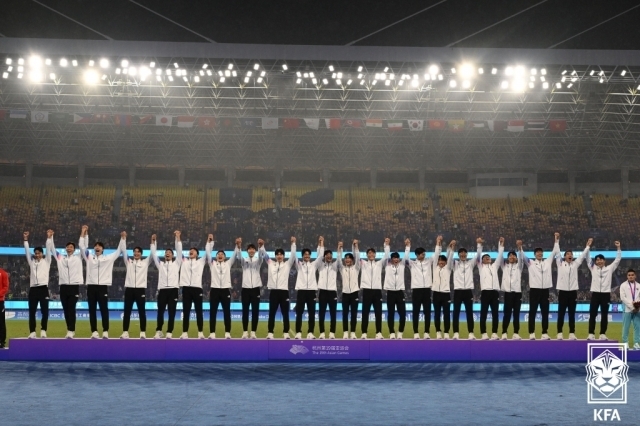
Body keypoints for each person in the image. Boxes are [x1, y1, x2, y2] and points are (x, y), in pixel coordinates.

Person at [80, 226, 126, 339]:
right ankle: (94, 331)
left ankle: (105, 331)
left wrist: (123, 239)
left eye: (99, 246)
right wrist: (84, 233)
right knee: (92, 310)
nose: (97, 247)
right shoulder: (89, 257)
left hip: (103, 288)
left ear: (103, 249)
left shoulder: (108, 258)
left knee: (104, 310)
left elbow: (119, 251)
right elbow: (81, 246)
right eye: (95, 246)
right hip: (91, 287)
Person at [522, 233, 560, 340]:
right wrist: (520, 248)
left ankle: (544, 333)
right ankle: (532, 332)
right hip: (534, 291)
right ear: (534, 255)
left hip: (545, 291)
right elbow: (523, 256)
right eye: (537, 252)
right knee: (532, 312)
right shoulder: (531, 263)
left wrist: (556, 241)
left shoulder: (547, 262)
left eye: (541, 252)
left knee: (545, 312)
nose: (539, 253)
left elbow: (554, 252)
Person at [46, 229, 83, 339]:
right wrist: (50, 237)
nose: (69, 248)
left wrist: (83, 234)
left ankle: (72, 330)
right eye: (67, 247)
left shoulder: (78, 258)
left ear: (74, 249)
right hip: (63, 287)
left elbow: (83, 246)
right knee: (66, 310)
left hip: (74, 286)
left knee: (71, 308)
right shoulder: (60, 258)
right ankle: (69, 329)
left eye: (71, 247)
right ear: (65, 249)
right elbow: (52, 248)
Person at [555, 238, 592, 340]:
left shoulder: (575, 264)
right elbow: (557, 253)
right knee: (561, 314)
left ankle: (572, 333)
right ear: (564, 256)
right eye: (567, 254)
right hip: (562, 292)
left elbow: (583, 255)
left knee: (572, 314)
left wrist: (588, 246)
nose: (570, 255)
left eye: (571, 254)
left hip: (573, 293)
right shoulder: (560, 264)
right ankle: (559, 332)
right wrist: (557, 241)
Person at [406, 236, 442, 339]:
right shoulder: (412, 264)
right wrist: (408, 246)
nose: (424, 255)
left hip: (427, 290)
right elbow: (406, 258)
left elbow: (436, 254)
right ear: (417, 255)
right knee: (416, 312)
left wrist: (438, 243)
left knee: (427, 312)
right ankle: (416, 332)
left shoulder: (428, 261)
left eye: (424, 253)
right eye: (422, 254)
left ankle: (427, 332)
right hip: (416, 290)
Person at [585, 241, 622, 340]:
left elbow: (617, 260)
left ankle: (602, 334)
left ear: (604, 261)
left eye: (601, 260)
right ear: (596, 261)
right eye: (597, 260)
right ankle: (591, 333)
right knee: (592, 314)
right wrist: (588, 246)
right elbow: (588, 259)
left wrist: (618, 248)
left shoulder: (609, 268)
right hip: (595, 294)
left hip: (605, 295)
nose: (599, 261)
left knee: (604, 315)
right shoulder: (593, 268)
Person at [178, 235, 213, 339]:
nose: (191, 251)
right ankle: (184, 332)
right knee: (186, 311)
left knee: (199, 311)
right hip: (186, 289)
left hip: (197, 288)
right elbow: (179, 251)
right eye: (190, 250)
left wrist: (209, 241)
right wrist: (178, 239)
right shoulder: (184, 261)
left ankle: (200, 332)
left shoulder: (201, 261)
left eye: (193, 250)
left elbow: (208, 252)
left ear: (197, 254)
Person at [206, 235, 239, 339]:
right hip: (214, 290)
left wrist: (237, 245)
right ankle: (212, 333)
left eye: (222, 254)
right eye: (218, 254)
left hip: (225, 291)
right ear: (216, 257)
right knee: (213, 313)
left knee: (227, 313)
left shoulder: (228, 264)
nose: (220, 255)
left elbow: (234, 255)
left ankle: (227, 333)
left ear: (225, 257)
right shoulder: (212, 263)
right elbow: (207, 253)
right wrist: (210, 242)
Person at [150, 231, 182, 339]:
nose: (167, 253)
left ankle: (169, 332)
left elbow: (179, 250)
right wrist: (153, 242)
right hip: (162, 290)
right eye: (166, 252)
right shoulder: (161, 264)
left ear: (172, 255)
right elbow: (154, 254)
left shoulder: (177, 263)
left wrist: (177, 238)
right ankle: (158, 331)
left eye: (169, 252)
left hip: (173, 290)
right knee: (160, 312)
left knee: (171, 312)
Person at [450, 238, 482, 340]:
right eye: (461, 253)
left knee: (469, 312)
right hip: (458, 291)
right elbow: (449, 258)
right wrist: (452, 248)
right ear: (458, 255)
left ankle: (471, 333)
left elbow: (478, 256)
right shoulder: (455, 264)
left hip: (468, 291)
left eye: (464, 253)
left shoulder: (470, 264)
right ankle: (455, 333)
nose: (463, 254)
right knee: (456, 313)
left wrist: (479, 244)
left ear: (467, 255)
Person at [236, 238, 268, 339]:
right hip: (245, 289)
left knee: (255, 311)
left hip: (255, 289)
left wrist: (261, 247)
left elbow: (261, 256)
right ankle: (245, 331)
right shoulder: (244, 260)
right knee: (245, 311)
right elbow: (239, 257)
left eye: (253, 249)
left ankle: (253, 332)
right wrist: (239, 247)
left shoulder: (258, 261)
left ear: (255, 251)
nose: (251, 250)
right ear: (247, 251)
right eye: (249, 249)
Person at [359, 238, 390, 339]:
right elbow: (355, 257)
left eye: (373, 253)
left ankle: (379, 332)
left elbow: (386, 256)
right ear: (367, 255)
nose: (371, 254)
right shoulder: (363, 263)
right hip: (367, 291)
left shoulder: (379, 264)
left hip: (377, 291)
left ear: (375, 255)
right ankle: (364, 333)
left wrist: (386, 245)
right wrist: (355, 247)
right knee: (365, 313)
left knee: (378, 313)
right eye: (369, 253)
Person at [266, 237, 297, 339]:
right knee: (272, 313)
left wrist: (293, 244)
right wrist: (261, 247)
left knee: (285, 314)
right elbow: (264, 255)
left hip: (284, 292)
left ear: (283, 256)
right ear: (275, 256)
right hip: (274, 292)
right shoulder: (271, 263)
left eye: (281, 254)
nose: (279, 256)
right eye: (277, 254)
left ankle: (286, 333)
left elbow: (293, 256)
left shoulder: (287, 264)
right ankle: (270, 332)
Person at [23, 231, 53, 339]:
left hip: (43, 289)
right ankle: (32, 332)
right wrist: (26, 240)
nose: (37, 255)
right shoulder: (31, 262)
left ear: (42, 253)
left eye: (39, 253)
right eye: (35, 253)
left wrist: (49, 238)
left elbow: (49, 249)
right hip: (33, 290)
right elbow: (27, 252)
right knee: (32, 312)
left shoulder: (47, 261)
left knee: (45, 311)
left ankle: (43, 330)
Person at [121, 241, 152, 339]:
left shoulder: (145, 263)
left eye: (138, 252)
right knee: (127, 312)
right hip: (129, 290)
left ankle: (142, 332)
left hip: (140, 290)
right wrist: (123, 239)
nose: (136, 253)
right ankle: (125, 332)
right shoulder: (129, 262)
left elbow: (152, 254)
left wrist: (153, 242)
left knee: (142, 312)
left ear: (141, 254)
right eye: (135, 251)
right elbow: (124, 251)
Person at [293, 237, 323, 339]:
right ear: (302, 256)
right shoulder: (299, 265)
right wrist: (293, 244)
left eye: (308, 254)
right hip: (301, 291)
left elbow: (320, 257)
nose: (307, 256)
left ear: (310, 256)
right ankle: (298, 332)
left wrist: (320, 244)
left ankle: (310, 332)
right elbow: (293, 256)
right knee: (299, 313)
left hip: (311, 292)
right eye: (305, 255)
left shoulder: (313, 265)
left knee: (312, 313)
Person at [478, 237, 504, 340]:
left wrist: (500, 244)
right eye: (485, 258)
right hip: (485, 292)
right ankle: (483, 333)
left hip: (495, 293)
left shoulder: (494, 266)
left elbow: (500, 255)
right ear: (482, 261)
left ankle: (494, 333)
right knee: (483, 313)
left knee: (495, 314)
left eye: (488, 257)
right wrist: (479, 245)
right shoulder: (481, 267)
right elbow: (478, 255)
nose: (487, 258)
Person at [383, 240, 411, 339]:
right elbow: (386, 255)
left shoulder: (402, 265)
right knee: (390, 314)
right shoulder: (387, 265)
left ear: (399, 259)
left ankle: (400, 332)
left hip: (400, 293)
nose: (396, 259)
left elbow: (406, 256)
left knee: (402, 314)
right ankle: (391, 333)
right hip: (390, 292)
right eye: (394, 258)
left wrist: (408, 246)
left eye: (397, 258)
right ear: (391, 259)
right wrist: (386, 245)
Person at [500, 240, 524, 340]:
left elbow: (522, 259)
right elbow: (499, 258)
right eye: (510, 256)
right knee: (507, 314)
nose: (512, 257)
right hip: (508, 293)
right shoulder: (504, 266)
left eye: (513, 255)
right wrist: (501, 245)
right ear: (508, 258)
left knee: (516, 314)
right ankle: (504, 332)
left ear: (516, 257)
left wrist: (520, 248)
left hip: (517, 293)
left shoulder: (519, 267)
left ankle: (516, 333)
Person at [317, 240, 340, 339]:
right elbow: (319, 256)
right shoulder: (320, 266)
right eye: (327, 255)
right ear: (324, 257)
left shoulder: (335, 266)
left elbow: (339, 259)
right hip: (322, 291)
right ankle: (322, 333)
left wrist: (339, 248)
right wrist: (321, 244)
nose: (329, 256)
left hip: (332, 292)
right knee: (321, 313)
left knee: (333, 314)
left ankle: (332, 333)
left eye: (330, 255)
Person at [338, 240, 360, 339]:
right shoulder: (342, 269)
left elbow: (358, 257)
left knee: (354, 314)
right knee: (345, 314)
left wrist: (355, 246)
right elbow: (338, 260)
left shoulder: (356, 268)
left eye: (349, 258)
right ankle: (345, 332)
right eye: (346, 258)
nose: (347, 260)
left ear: (352, 260)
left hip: (354, 293)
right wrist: (340, 248)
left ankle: (353, 333)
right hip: (345, 294)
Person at [432, 243, 455, 339]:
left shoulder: (448, 268)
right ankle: (438, 331)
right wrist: (437, 244)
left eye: (443, 261)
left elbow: (450, 258)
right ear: (437, 262)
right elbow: (437, 253)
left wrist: (451, 249)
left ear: (445, 262)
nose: (441, 262)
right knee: (437, 314)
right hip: (436, 293)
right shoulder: (434, 267)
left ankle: (446, 332)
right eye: (439, 261)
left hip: (446, 294)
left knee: (446, 314)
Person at [620, 269, 640, 350]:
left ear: (635, 276)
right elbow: (623, 298)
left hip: (637, 310)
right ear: (627, 276)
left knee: (637, 327)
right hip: (627, 309)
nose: (631, 276)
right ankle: (625, 343)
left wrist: (637, 306)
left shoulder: (639, 285)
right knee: (626, 327)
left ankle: (636, 343)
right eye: (629, 275)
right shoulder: (623, 285)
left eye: (632, 275)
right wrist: (632, 307)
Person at [0, 266, 8, 348]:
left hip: (0, 301)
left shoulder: (3, 273)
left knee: (1, 322)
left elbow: (5, 287)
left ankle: (1, 341)